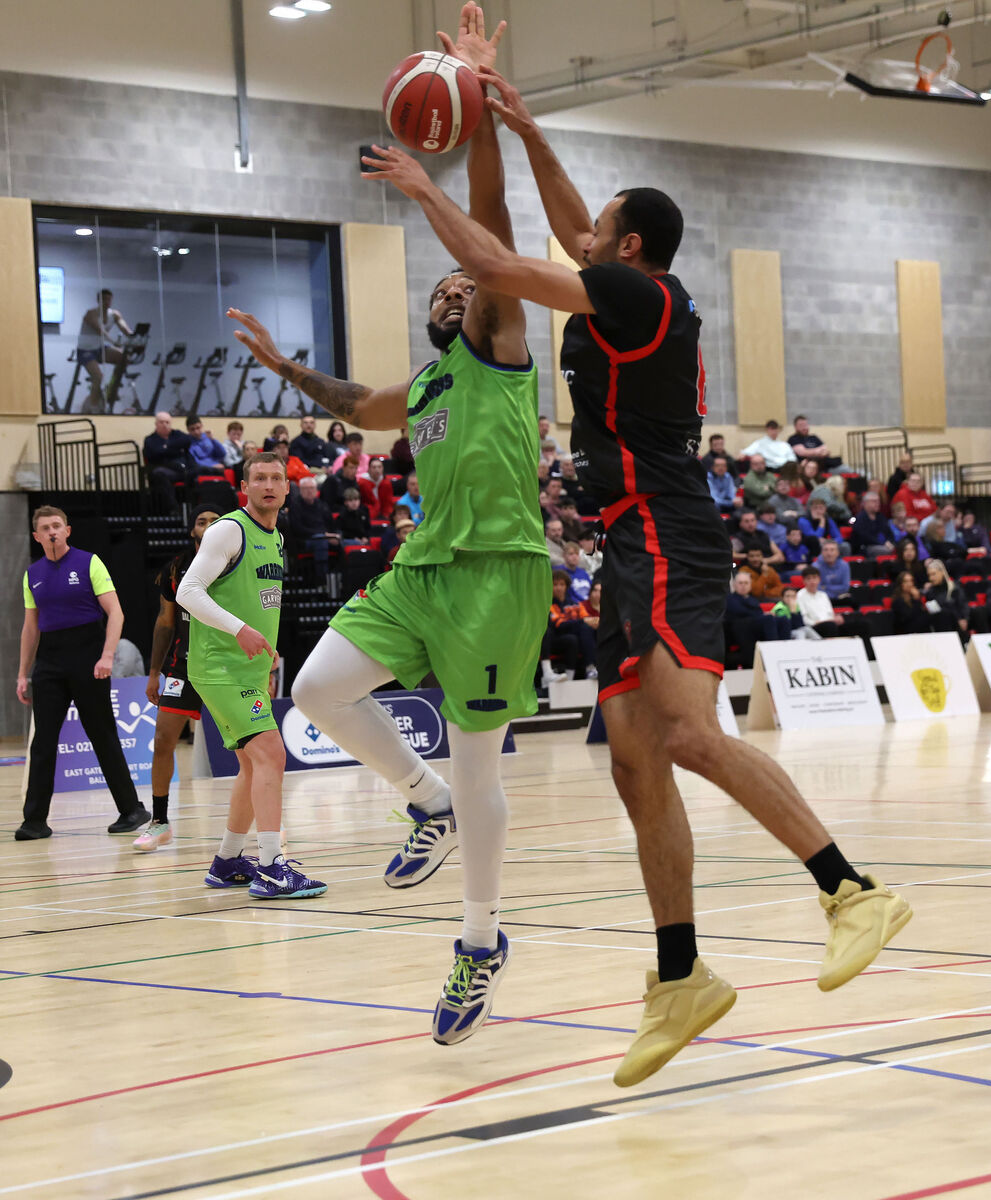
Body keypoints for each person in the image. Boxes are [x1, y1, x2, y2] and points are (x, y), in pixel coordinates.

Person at [364, 55, 912, 1086]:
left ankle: (851, 889)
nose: (582, 233)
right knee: (630, 756)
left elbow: (501, 265)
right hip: (628, 536)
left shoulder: (639, 295)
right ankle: (680, 976)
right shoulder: (625, 281)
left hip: (663, 524)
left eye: (599, 227)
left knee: (688, 736)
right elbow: (571, 230)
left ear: (626, 248)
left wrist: (426, 185)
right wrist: (518, 131)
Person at [230, 5, 551, 1046]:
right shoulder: (427, 386)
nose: (457, 280)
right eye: (446, 281)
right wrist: (282, 367)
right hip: (424, 570)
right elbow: (356, 403)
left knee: (481, 762)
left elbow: (494, 229)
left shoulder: (501, 340)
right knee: (317, 690)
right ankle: (424, 804)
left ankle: (479, 936)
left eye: (467, 276)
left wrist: (465, 134)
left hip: (500, 574)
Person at [176, 453, 326, 900]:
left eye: (276, 478)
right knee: (271, 755)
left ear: (286, 488)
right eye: (259, 478)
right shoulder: (229, 529)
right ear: (245, 486)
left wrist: (263, 645)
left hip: (249, 667)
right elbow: (187, 591)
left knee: (251, 763)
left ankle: (226, 862)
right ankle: (272, 867)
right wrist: (239, 630)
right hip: (219, 665)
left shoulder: (276, 536)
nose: (268, 484)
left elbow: (257, 599)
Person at [16, 507, 149, 840]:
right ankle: (34, 821)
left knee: (101, 734)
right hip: (49, 660)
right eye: (45, 528)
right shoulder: (32, 574)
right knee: (43, 742)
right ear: (36, 536)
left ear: (68, 530)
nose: (52, 532)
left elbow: (115, 612)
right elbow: (30, 628)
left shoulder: (89, 562)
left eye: (57, 526)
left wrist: (107, 656)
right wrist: (22, 673)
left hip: (88, 655)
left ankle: (132, 810)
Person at [140, 505, 223, 852]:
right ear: (193, 531)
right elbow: (164, 622)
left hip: (225, 667)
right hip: (182, 668)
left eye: (215, 521)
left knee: (250, 748)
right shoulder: (176, 568)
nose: (207, 525)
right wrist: (154, 672)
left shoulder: (236, 564)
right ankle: (159, 821)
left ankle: (269, 825)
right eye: (201, 521)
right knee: (163, 739)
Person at [76, 288, 134, 413]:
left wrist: (133, 336)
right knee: (98, 377)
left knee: (124, 358)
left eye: (109, 299)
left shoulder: (114, 315)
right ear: (98, 300)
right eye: (104, 299)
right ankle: (93, 406)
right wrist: (113, 342)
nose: (107, 302)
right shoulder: (90, 314)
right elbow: (100, 331)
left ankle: (111, 388)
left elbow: (125, 329)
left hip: (99, 349)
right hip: (85, 350)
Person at [725, 570, 790, 663]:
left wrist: (761, 615)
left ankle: (785, 652)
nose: (743, 585)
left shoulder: (752, 599)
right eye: (740, 583)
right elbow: (740, 612)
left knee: (783, 620)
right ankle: (774, 653)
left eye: (746, 583)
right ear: (735, 585)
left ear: (750, 585)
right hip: (740, 627)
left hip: (755, 625)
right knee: (768, 618)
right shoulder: (730, 598)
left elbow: (756, 612)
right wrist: (762, 615)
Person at [797, 566, 871, 642]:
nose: (812, 581)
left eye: (814, 578)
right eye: (809, 579)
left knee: (863, 625)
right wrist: (820, 622)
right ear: (804, 581)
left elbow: (830, 614)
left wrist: (836, 618)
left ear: (819, 579)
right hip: (814, 627)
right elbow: (804, 619)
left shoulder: (823, 595)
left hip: (830, 624)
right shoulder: (800, 596)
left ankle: (868, 652)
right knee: (830, 626)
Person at [290, 474, 340, 583]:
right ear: (300, 490)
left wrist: (334, 535)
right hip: (304, 540)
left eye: (312, 488)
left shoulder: (322, 504)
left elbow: (331, 524)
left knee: (344, 542)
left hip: (325, 537)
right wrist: (324, 535)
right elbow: (298, 529)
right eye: (306, 488)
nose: (309, 491)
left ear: (316, 490)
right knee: (320, 540)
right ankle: (322, 581)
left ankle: (342, 582)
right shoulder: (295, 506)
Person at [550, 570, 599, 678]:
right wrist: (583, 621)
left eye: (562, 584)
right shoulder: (550, 605)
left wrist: (595, 621)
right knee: (581, 631)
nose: (559, 588)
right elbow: (558, 625)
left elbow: (586, 618)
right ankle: (590, 667)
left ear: (567, 586)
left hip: (579, 636)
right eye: (555, 584)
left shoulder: (575, 604)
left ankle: (600, 666)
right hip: (558, 637)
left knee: (593, 629)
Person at [143, 411, 190, 515]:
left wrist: (166, 447)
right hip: (162, 471)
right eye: (161, 422)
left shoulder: (177, 434)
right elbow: (154, 453)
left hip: (181, 470)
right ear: (156, 424)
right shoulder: (150, 439)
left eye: (167, 422)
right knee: (160, 474)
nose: (165, 425)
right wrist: (175, 449)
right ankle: (174, 509)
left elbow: (187, 440)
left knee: (198, 472)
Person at [923, 558, 969, 640]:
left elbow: (963, 605)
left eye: (934, 574)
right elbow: (933, 612)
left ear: (942, 572)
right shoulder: (930, 593)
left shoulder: (955, 587)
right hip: (941, 625)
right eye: (929, 575)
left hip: (958, 623)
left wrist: (964, 618)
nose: (931, 578)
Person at [850, 492, 894, 558]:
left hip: (883, 545)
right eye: (874, 501)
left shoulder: (881, 517)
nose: (878, 503)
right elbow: (865, 538)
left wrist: (889, 542)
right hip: (866, 547)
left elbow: (889, 533)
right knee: (885, 551)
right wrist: (883, 543)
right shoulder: (860, 519)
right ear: (865, 503)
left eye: (878, 501)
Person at [890, 570, 931, 635]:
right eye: (906, 581)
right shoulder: (897, 600)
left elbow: (921, 614)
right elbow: (907, 618)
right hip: (904, 632)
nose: (910, 584)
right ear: (900, 584)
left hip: (920, 631)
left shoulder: (914, 597)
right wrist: (916, 599)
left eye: (911, 581)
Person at [813, 539, 852, 604]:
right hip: (822, 600)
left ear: (837, 553)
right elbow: (818, 589)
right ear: (821, 552)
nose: (829, 553)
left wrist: (825, 587)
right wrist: (836, 595)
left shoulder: (844, 565)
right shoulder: (815, 567)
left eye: (832, 550)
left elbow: (845, 587)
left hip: (840, 599)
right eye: (826, 550)